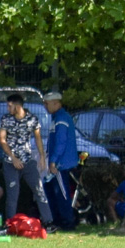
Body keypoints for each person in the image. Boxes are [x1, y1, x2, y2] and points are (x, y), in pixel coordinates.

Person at [0, 93, 52, 228]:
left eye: (9, 106)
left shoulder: (32, 119)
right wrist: (13, 158)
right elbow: (2, 140)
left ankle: (48, 221)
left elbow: (38, 138)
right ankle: (10, 224)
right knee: (13, 194)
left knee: (39, 190)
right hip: (10, 162)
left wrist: (42, 157)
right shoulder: (6, 119)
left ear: (17, 106)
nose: (8, 109)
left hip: (28, 161)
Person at [42, 91, 79, 230]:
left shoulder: (61, 119)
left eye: (47, 104)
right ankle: (57, 221)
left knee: (61, 193)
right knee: (51, 191)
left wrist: (53, 161)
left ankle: (67, 222)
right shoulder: (57, 118)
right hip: (58, 162)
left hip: (60, 164)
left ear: (56, 103)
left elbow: (61, 141)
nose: (45, 106)